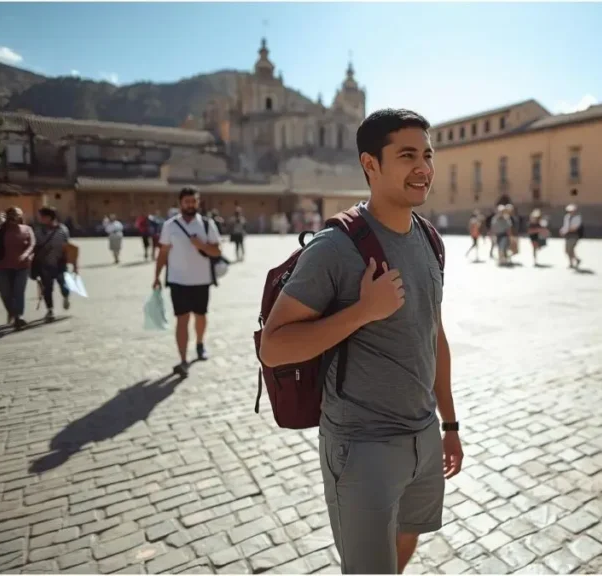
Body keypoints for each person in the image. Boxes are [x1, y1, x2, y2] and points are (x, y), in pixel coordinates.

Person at [258, 109, 462, 574]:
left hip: (424, 434)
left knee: (407, 539)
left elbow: (435, 333)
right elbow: (274, 345)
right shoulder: (335, 248)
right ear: (370, 164)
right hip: (362, 446)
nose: (423, 168)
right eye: (407, 155)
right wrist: (363, 311)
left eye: (427, 155)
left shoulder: (429, 238)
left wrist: (448, 424)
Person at [153, 187, 222, 376]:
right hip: (178, 281)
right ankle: (183, 360)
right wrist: (156, 276)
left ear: (198, 203)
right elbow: (163, 253)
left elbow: (217, 251)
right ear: (180, 203)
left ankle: (200, 343)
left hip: (201, 280)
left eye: (194, 201)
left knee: (201, 316)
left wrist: (202, 246)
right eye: (187, 202)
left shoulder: (207, 225)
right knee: (182, 319)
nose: (190, 205)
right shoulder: (170, 225)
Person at [0, 207, 36, 329]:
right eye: (12, 215)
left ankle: (18, 316)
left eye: (17, 215)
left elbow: (32, 244)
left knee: (18, 292)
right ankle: (11, 311)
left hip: (22, 266)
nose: (14, 217)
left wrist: (25, 255)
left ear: (21, 216)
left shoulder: (27, 229)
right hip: (1, 267)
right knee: (5, 293)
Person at [35, 206, 74, 321]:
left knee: (63, 285)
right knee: (47, 288)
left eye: (42, 216)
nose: (40, 219)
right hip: (44, 264)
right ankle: (50, 310)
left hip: (60, 264)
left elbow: (67, 246)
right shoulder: (38, 231)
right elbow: (35, 246)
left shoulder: (63, 230)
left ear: (49, 217)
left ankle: (66, 296)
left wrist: (71, 261)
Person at [560, 204, 583, 268]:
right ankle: (576, 260)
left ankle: (571, 263)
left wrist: (565, 231)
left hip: (574, 235)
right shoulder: (567, 217)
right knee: (567, 250)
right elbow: (565, 226)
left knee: (570, 249)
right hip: (568, 235)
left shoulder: (577, 218)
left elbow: (574, 228)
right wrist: (562, 230)